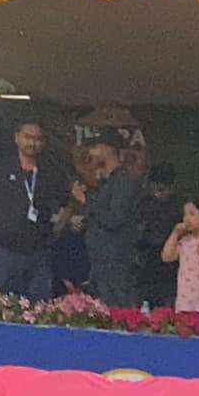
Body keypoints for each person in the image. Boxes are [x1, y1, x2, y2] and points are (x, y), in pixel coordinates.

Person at [0, 117, 68, 303]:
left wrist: (57, 229)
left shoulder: (51, 172)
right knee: (5, 304)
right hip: (6, 251)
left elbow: (69, 202)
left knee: (40, 308)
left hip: (38, 253)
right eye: (28, 137)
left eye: (37, 139)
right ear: (17, 138)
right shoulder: (2, 168)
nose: (32, 143)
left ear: (43, 142)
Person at [75, 131, 142, 307]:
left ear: (107, 149)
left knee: (118, 312)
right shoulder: (109, 182)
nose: (92, 153)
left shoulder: (123, 182)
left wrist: (86, 201)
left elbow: (115, 219)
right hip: (101, 261)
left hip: (116, 263)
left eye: (95, 148)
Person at [136, 161, 180, 306]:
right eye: (156, 188)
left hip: (172, 261)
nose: (159, 193)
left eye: (163, 188)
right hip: (148, 259)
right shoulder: (144, 204)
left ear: (172, 186)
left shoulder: (179, 206)